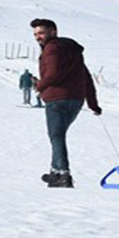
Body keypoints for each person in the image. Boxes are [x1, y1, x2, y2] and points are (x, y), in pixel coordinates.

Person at [31, 18, 101, 188]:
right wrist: (93, 104)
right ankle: (55, 172)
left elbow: (52, 73)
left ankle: (63, 174)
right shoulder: (73, 51)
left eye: (41, 33)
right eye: (35, 34)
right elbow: (86, 76)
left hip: (57, 99)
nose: (38, 37)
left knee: (56, 135)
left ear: (53, 32)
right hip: (76, 100)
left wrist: (39, 85)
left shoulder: (51, 48)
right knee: (58, 135)